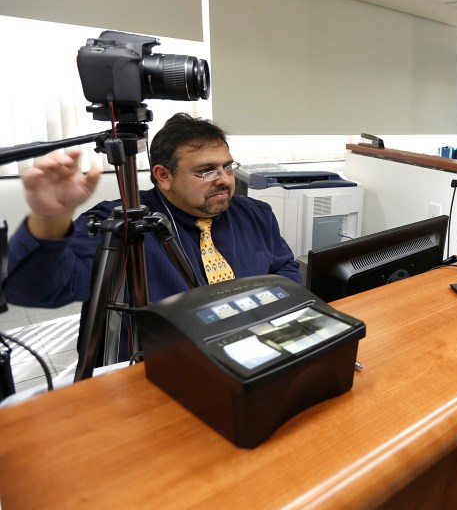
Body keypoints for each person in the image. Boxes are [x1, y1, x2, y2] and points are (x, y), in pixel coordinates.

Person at [2, 113, 299, 358]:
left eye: (227, 166)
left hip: (255, 351)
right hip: (159, 367)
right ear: (163, 176)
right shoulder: (119, 224)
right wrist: (48, 220)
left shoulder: (255, 214)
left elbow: (284, 269)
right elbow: (33, 290)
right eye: (206, 171)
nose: (223, 179)